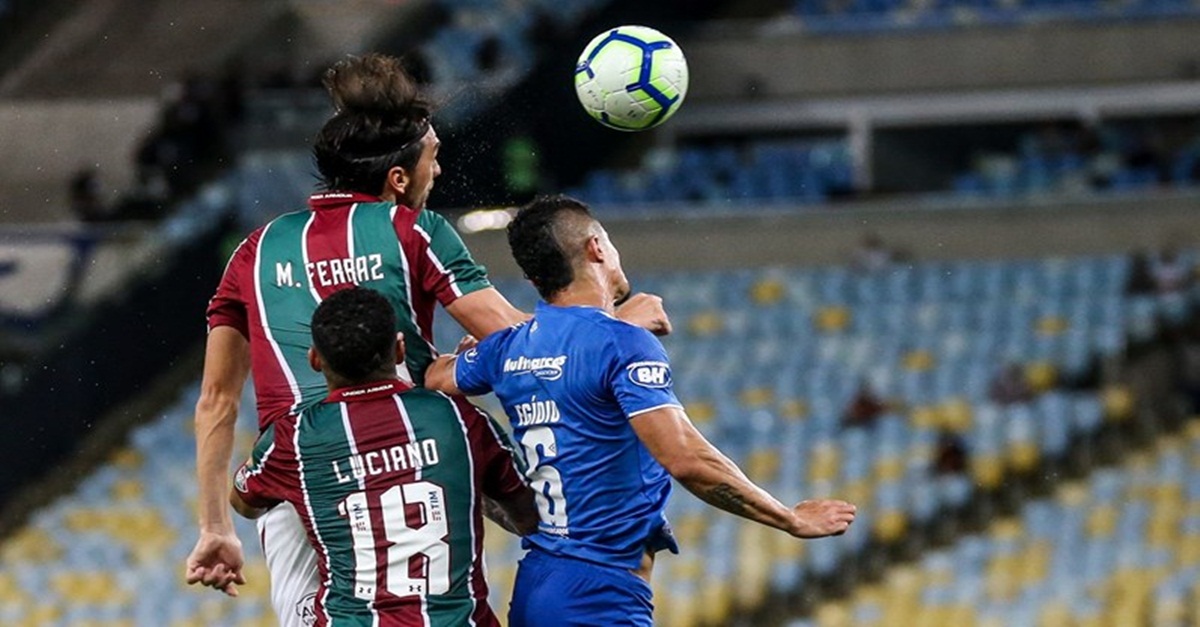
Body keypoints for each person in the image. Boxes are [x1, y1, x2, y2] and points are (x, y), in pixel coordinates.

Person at [186, 54, 670, 622]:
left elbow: (217, 401)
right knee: (560, 528)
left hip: (297, 481)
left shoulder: (255, 250)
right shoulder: (413, 231)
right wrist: (620, 328)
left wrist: (215, 525)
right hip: (416, 458)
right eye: (433, 158)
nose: (437, 172)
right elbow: (528, 347)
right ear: (398, 177)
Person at [425, 195, 857, 626]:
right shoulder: (620, 343)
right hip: (600, 594)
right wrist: (790, 518)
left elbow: (435, 378)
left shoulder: (509, 347)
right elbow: (686, 460)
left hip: (540, 581)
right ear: (596, 248)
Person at [230, 287, 537, 626]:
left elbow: (245, 502)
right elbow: (528, 517)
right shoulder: (461, 419)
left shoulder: (294, 439)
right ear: (401, 349)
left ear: (314, 359)